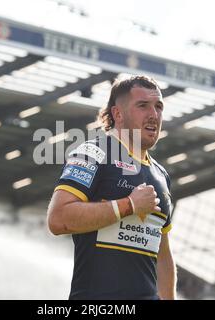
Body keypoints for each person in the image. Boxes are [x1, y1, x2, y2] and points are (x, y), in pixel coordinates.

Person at [47, 75, 176, 300]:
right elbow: (58, 219)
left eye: (158, 107)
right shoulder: (92, 153)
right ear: (117, 114)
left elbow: (163, 255)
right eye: (142, 106)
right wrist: (129, 205)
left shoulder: (161, 175)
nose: (153, 115)